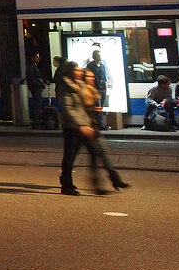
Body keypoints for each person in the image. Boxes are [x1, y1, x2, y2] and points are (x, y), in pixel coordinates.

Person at [59, 62, 128, 195]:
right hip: (73, 128)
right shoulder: (66, 87)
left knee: (94, 152)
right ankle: (66, 185)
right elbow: (69, 109)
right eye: (77, 70)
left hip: (85, 126)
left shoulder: (80, 84)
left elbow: (86, 102)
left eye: (80, 70)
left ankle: (97, 185)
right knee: (70, 157)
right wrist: (81, 125)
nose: (80, 72)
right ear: (70, 72)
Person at [86, 49, 110, 129]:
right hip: (95, 89)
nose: (100, 57)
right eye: (98, 56)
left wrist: (106, 87)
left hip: (103, 89)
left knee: (100, 107)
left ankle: (99, 122)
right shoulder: (90, 66)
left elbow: (104, 76)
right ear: (94, 57)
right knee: (97, 107)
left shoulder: (102, 65)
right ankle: (98, 123)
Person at [25, 53, 47, 128]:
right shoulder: (31, 67)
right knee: (37, 105)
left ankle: (36, 122)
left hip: (35, 87)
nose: (38, 58)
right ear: (32, 58)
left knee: (37, 104)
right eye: (37, 57)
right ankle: (35, 122)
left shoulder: (32, 66)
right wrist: (40, 84)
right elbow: (32, 78)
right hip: (35, 88)